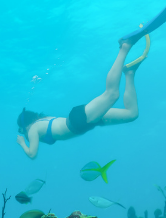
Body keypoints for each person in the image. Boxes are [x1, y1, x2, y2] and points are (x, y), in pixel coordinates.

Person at [16, 40, 144, 159]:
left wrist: (22, 143)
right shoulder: (42, 121)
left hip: (78, 122)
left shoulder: (33, 129)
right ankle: (129, 73)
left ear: (23, 126)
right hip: (83, 121)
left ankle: (124, 48)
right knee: (132, 114)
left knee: (112, 94)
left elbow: (32, 154)